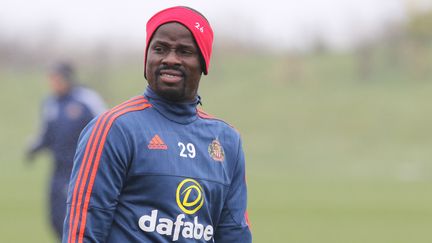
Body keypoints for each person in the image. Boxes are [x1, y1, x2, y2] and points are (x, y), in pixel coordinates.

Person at [62, 6, 252, 243]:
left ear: (203, 62)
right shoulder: (114, 128)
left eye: (184, 51)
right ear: (147, 57)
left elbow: (234, 234)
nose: (170, 59)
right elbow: (82, 234)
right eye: (160, 49)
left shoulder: (226, 140)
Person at [26, 61, 106, 240]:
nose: (52, 82)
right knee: (54, 219)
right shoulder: (50, 102)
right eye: (50, 78)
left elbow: (106, 125)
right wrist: (34, 148)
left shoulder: (86, 98)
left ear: (67, 78)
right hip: (57, 170)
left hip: (79, 168)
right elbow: (46, 134)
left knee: (70, 219)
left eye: (56, 78)